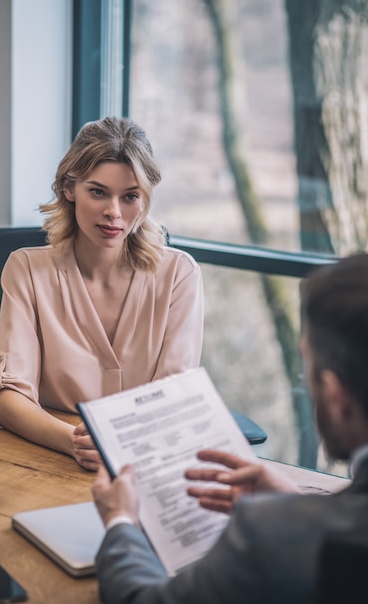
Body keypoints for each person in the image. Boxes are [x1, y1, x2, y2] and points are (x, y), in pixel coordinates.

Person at [92, 252, 368, 603]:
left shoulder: (267, 535)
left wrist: (121, 522)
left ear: (335, 396)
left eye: (308, 368)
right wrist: (297, 506)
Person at [0, 116, 203, 471]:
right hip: (51, 462)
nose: (114, 213)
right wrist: (73, 443)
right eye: (98, 192)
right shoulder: (26, 270)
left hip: (147, 466)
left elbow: (172, 401)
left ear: (145, 201)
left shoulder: (179, 275)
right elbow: (9, 398)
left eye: (130, 196)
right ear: (68, 188)